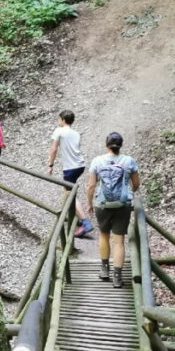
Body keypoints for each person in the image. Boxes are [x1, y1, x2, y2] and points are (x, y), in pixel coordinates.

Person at [87, 132, 141, 288]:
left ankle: (104, 270)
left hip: (102, 204)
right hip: (122, 205)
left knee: (104, 236)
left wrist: (90, 203)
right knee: (119, 241)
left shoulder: (97, 161)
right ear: (121, 145)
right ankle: (117, 277)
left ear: (107, 145)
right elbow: (136, 183)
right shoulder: (129, 161)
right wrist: (128, 191)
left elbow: (91, 186)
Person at [47, 110, 94, 238]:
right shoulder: (76, 133)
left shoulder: (59, 131)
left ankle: (85, 223)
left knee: (69, 194)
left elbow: (54, 149)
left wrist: (50, 165)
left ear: (62, 120)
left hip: (70, 168)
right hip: (80, 165)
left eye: (59, 119)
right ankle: (74, 215)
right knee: (68, 191)